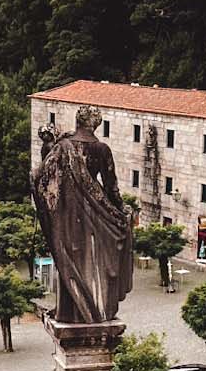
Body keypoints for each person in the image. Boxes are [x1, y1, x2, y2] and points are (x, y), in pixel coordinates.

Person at [31, 105, 133, 324]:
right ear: (95, 123)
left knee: (70, 260)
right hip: (93, 215)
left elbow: (41, 176)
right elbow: (111, 188)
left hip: (66, 217)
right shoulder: (101, 149)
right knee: (94, 261)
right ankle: (97, 308)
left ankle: (69, 312)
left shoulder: (62, 146)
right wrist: (122, 210)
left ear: (78, 121)